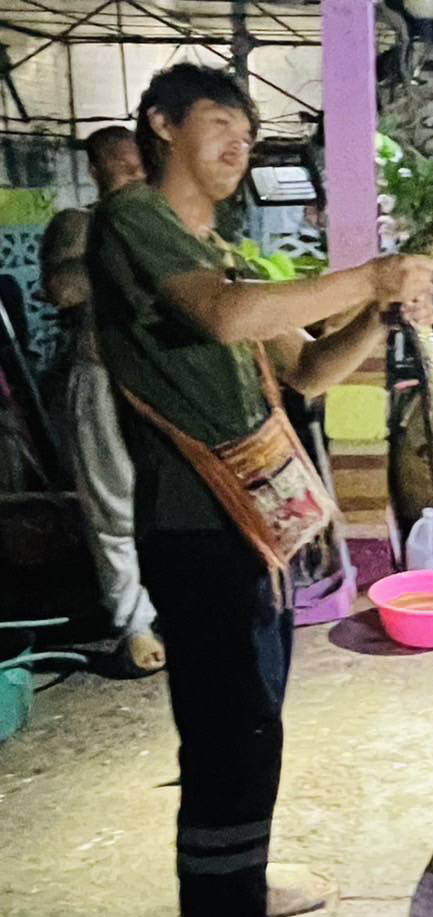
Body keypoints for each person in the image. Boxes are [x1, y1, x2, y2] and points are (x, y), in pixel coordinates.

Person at [86, 63, 433, 916]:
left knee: (251, 722)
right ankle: (220, 900)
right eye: (220, 124)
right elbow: (225, 315)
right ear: (162, 124)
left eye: (248, 135)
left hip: (252, 527)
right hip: (195, 525)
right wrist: (372, 276)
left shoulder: (225, 256)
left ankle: (240, 880)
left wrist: (379, 315)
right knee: (226, 733)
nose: (238, 145)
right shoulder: (134, 218)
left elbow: (309, 370)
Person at [39, 126, 164, 673]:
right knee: (114, 508)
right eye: (120, 162)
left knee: (173, 503)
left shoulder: (165, 221)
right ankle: (135, 624)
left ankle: (177, 607)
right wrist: (117, 240)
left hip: (164, 381)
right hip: (101, 376)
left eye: (140, 161)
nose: (134, 171)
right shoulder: (79, 224)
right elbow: (63, 290)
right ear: (94, 171)